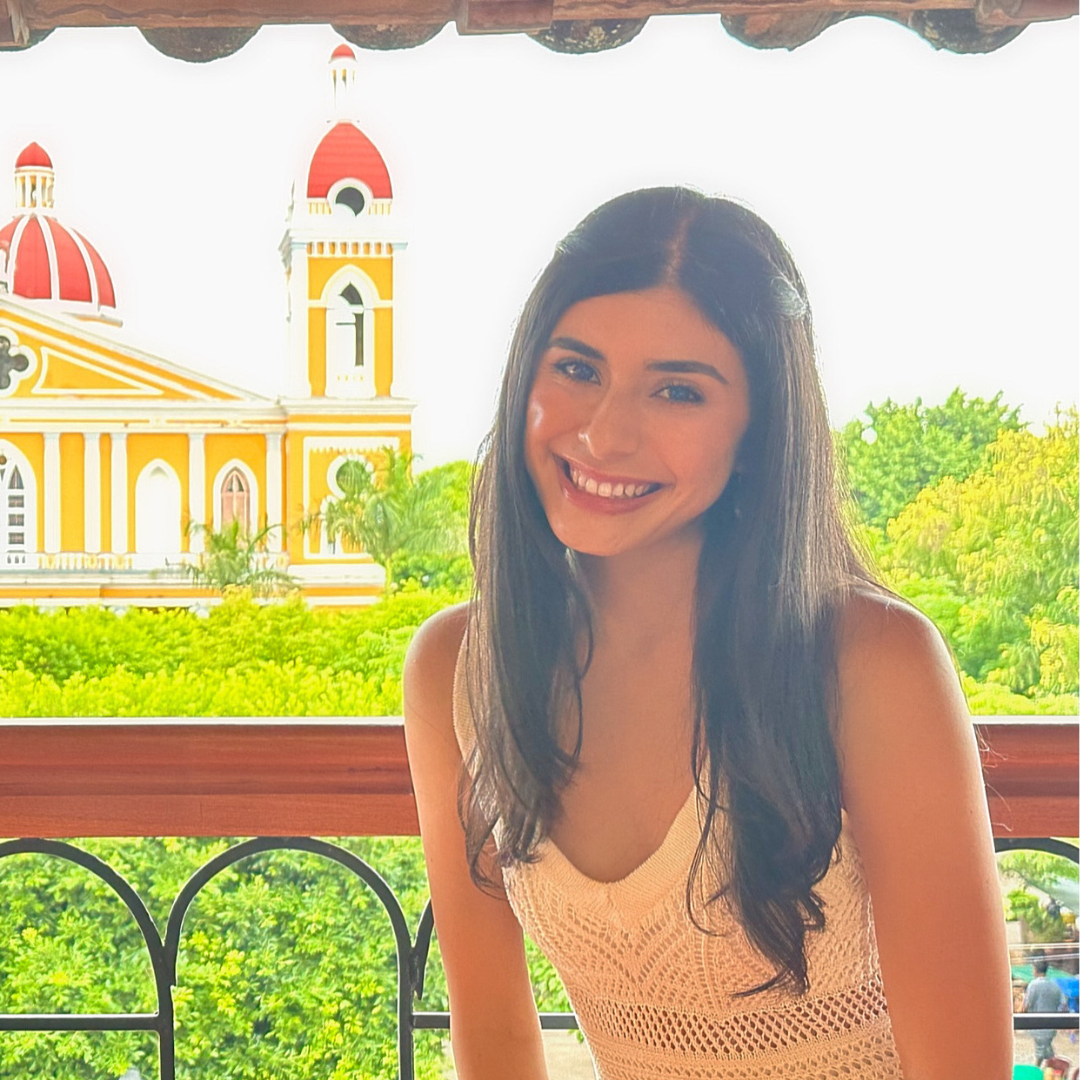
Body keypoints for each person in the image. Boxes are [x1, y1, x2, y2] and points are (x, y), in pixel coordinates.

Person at [403, 187, 1013, 1079]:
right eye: (576, 369)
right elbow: (494, 1040)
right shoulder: (460, 670)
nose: (605, 434)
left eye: (678, 391)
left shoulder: (869, 663)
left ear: (757, 431)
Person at [1025, 958, 1068, 1066]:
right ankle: (1054, 1068)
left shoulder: (1033, 985)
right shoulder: (1055, 985)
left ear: (1035, 970)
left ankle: (1039, 1072)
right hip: (1051, 1025)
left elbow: (1026, 1004)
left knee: (1041, 1053)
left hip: (1036, 1025)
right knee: (1047, 1051)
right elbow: (1063, 1004)